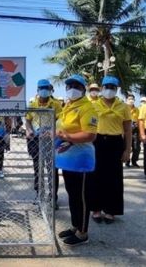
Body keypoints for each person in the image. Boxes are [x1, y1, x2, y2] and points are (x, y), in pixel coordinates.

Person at [55, 74, 97, 246]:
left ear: (83, 89)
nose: (72, 89)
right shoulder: (68, 106)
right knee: (72, 195)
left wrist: (68, 136)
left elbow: (90, 135)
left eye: (77, 86)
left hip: (81, 159)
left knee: (82, 197)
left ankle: (83, 232)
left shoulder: (87, 108)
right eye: (69, 86)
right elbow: (61, 130)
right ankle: (75, 225)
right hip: (67, 159)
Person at [89, 76, 131, 224]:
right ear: (101, 88)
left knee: (114, 178)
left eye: (112, 87)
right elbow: (88, 126)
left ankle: (111, 210)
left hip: (115, 143)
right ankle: (96, 209)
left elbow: (127, 130)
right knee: (95, 176)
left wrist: (127, 150)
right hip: (98, 141)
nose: (109, 90)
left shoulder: (123, 107)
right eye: (106, 86)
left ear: (116, 89)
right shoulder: (93, 105)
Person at [25, 79, 62, 207]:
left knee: (52, 169)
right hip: (36, 139)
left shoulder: (56, 104)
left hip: (51, 140)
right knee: (38, 168)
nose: (44, 91)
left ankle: (53, 197)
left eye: (47, 88)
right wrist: (29, 131)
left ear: (50, 90)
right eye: (42, 88)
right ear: (38, 90)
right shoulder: (32, 104)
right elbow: (28, 121)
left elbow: (60, 121)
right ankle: (39, 194)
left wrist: (53, 131)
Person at [126, 94, 141, 168]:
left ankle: (134, 161)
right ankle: (127, 161)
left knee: (136, 147)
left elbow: (139, 120)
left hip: (135, 130)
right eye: (129, 99)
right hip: (125, 129)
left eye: (132, 99)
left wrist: (135, 125)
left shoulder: (137, 109)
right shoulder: (124, 108)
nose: (131, 100)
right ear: (126, 100)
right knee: (126, 146)